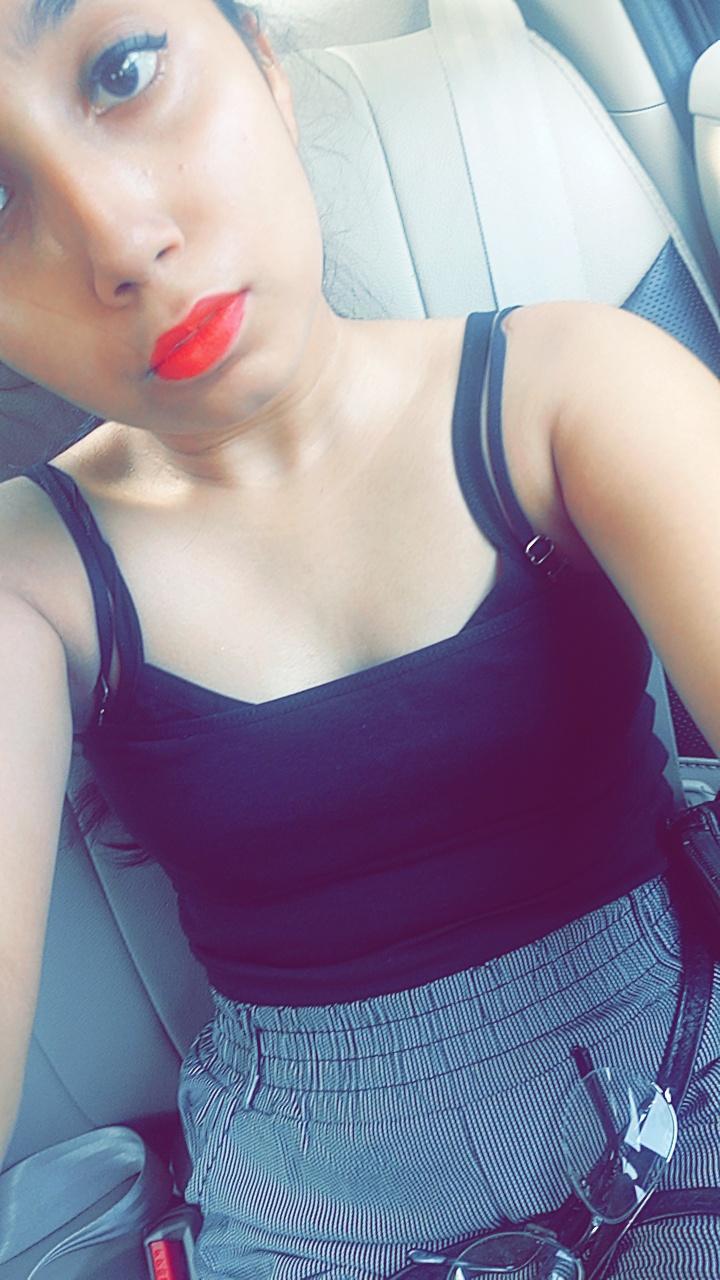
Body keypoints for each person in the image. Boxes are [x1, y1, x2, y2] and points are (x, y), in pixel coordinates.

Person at [0, 0, 719, 1276]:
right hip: (307, 1212)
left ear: (265, 64)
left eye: (124, 70)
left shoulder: (565, 390)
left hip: (680, 1083)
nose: (120, 241)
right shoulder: (30, 577)